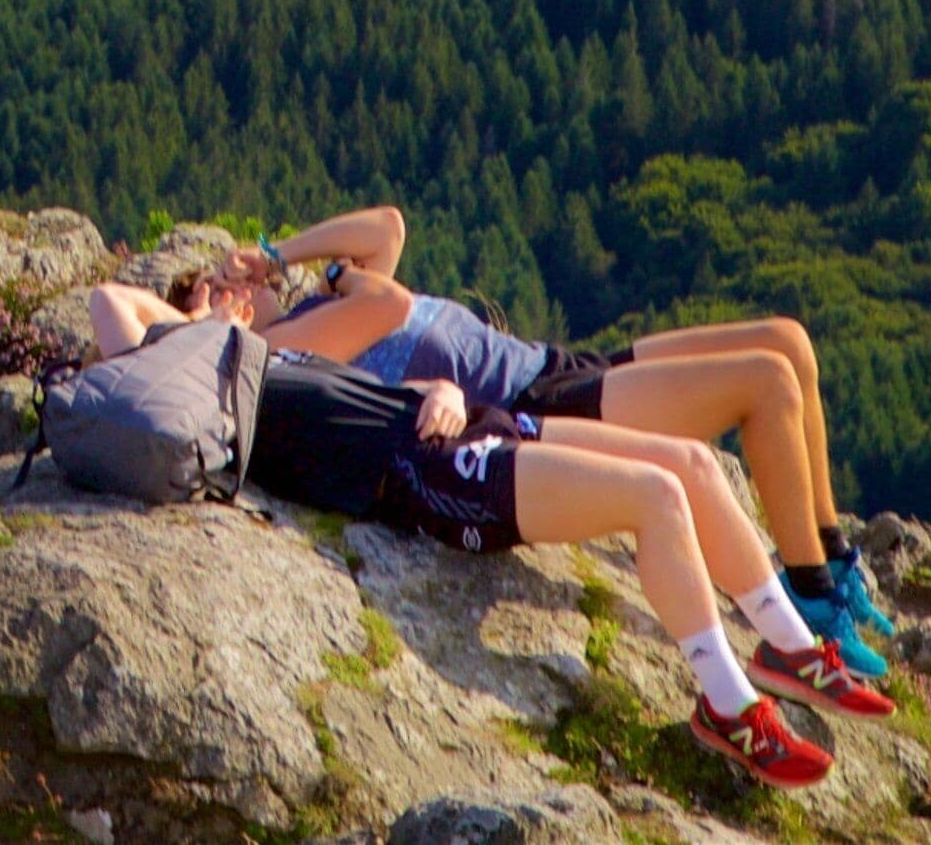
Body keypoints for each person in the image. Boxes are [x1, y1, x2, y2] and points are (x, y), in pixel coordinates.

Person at [92, 279, 887, 789]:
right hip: (426, 474)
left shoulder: (278, 352)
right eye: (213, 297)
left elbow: (372, 349)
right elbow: (109, 303)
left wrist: (435, 386)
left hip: (461, 419)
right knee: (653, 497)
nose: (235, 297)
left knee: (692, 467)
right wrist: (196, 321)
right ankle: (729, 705)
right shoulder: (207, 385)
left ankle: (787, 643)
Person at [209, 204, 895, 677]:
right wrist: (324, 277)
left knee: (788, 342)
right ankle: (808, 597)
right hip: (531, 402)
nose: (230, 282)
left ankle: (832, 560)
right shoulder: (278, 345)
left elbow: (387, 224)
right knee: (767, 383)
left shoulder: (306, 309)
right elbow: (384, 301)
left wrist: (274, 255)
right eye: (211, 287)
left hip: (550, 362)